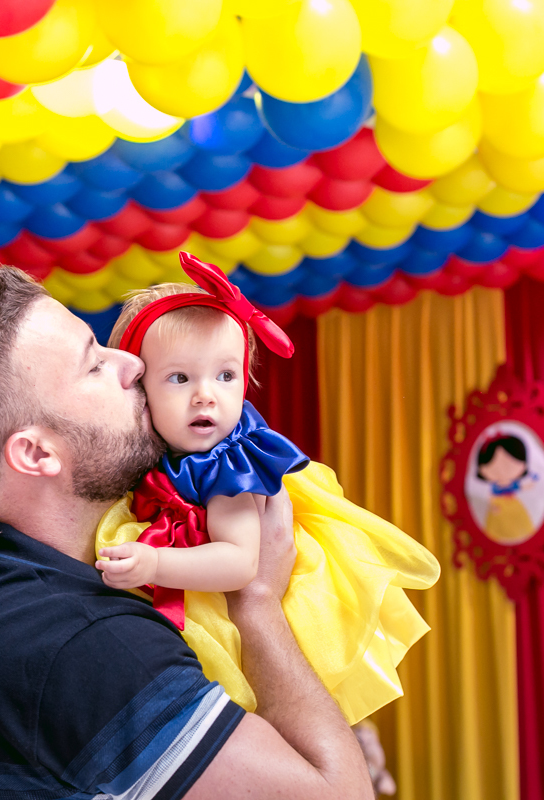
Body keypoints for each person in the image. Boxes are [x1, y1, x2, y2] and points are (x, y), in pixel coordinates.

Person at [0, 267, 374, 800]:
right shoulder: (84, 646)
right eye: (94, 364)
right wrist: (257, 600)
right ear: (37, 454)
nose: (132, 363)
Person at [94, 251, 440, 724]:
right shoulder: (171, 456)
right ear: (140, 389)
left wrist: (154, 561)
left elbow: (240, 563)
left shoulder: (227, 465)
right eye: (179, 378)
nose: (206, 394)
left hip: (246, 603)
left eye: (226, 375)